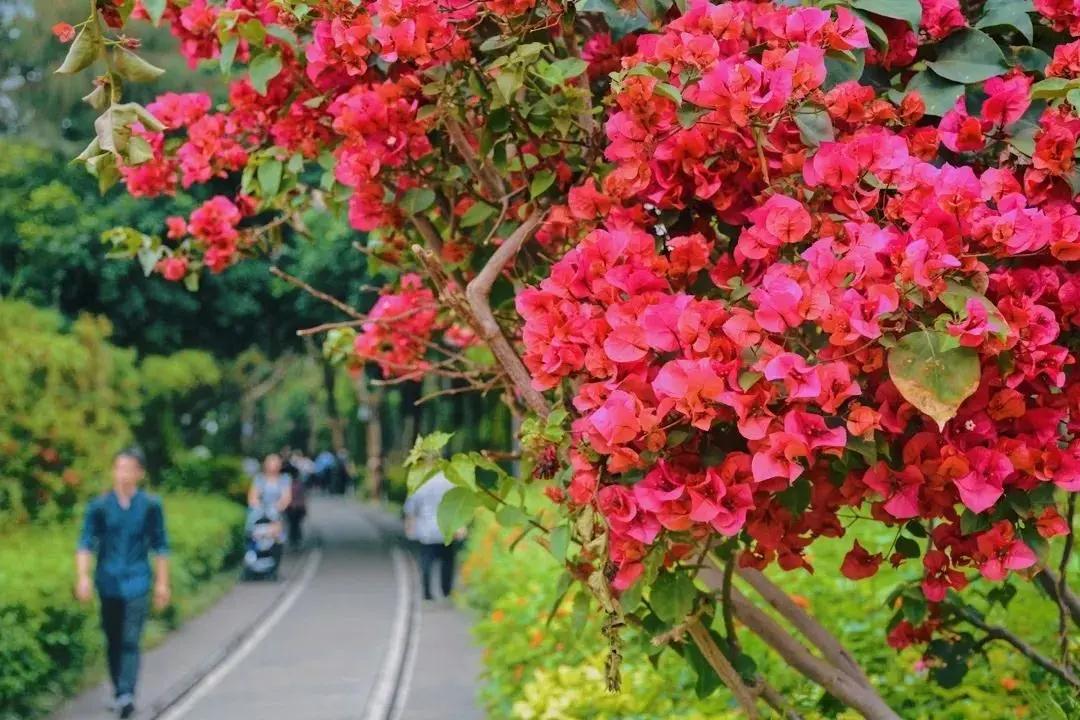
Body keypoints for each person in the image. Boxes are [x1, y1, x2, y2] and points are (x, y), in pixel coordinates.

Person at [75, 448, 170, 719]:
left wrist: (163, 584)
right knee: (113, 638)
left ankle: (127, 693)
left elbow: (161, 546)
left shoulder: (151, 505)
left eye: (129, 469)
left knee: (130, 638)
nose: (123, 474)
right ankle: (119, 690)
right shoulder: (100, 506)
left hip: (137, 580)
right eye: (119, 468)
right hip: (108, 581)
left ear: (139, 473)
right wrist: (82, 576)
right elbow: (85, 543)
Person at [403, 472, 464, 601]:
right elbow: (459, 506)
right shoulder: (450, 481)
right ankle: (446, 591)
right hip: (447, 529)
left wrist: (409, 528)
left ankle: (427, 593)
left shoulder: (421, 482)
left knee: (426, 562)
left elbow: (411, 508)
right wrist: (460, 527)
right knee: (447, 562)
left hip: (427, 530)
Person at [248, 453, 293, 526]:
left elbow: (286, 498)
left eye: (276, 463)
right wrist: (260, 508)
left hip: (278, 512)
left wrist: (276, 508)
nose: (273, 466)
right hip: (260, 511)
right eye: (271, 463)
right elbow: (252, 497)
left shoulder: (285, 478)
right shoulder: (259, 478)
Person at [284, 469, 307, 550]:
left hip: (292, 508)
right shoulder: (299, 484)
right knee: (295, 525)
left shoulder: (287, 484)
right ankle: (296, 539)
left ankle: (294, 540)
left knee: (293, 525)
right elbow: (303, 497)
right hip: (296, 508)